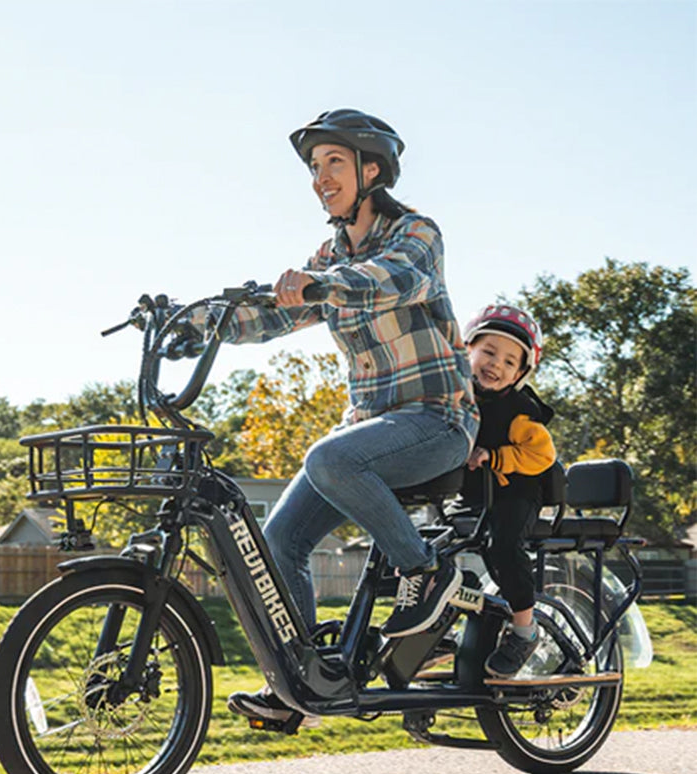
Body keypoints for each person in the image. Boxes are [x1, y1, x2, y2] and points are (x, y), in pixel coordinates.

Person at [204, 109, 479, 725]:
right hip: (372, 431)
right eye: (313, 167)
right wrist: (197, 324)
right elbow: (278, 314)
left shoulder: (417, 234)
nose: (320, 177)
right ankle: (303, 680)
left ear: (370, 169)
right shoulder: (330, 253)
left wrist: (320, 283)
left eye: (333, 163)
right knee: (277, 540)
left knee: (328, 456)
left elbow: (391, 281)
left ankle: (427, 573)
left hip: (438, 422)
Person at [462, 303, 557, 677]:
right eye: (487, 352)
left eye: (508, 362)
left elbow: (543, 454)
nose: (495, 365)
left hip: (515, 492)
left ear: (520, 373)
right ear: (467, 351)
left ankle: (524, 630)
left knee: (503, 544)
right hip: (474, 494)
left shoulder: (518, 411)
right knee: (426, 545)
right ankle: (437, 617)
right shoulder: (456, 399)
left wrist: (498, 457)